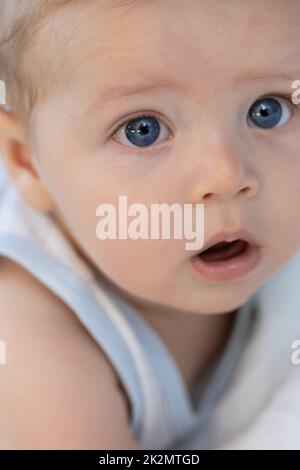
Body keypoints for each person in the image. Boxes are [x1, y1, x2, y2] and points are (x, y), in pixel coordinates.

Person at [0, 0, 299, 449]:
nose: (227, 175)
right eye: (143, 129)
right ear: (29, 163)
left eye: (267, 110)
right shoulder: (32, 354)